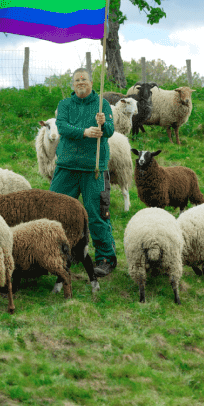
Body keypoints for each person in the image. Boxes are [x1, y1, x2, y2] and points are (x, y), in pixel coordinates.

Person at [50, 67, 117, 277]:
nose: (80, 82)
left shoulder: (101, 104)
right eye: (77, 80)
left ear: (90, 83)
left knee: (96, 213)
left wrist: (103, 123)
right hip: (67, 167)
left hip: (93, 168)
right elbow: (62, 127)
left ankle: (106, 258)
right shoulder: (65, 104)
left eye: (84, 79)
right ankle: (58, 254)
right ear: (73, 84)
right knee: (56, 211)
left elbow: (110, 131)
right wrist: (85, 132)